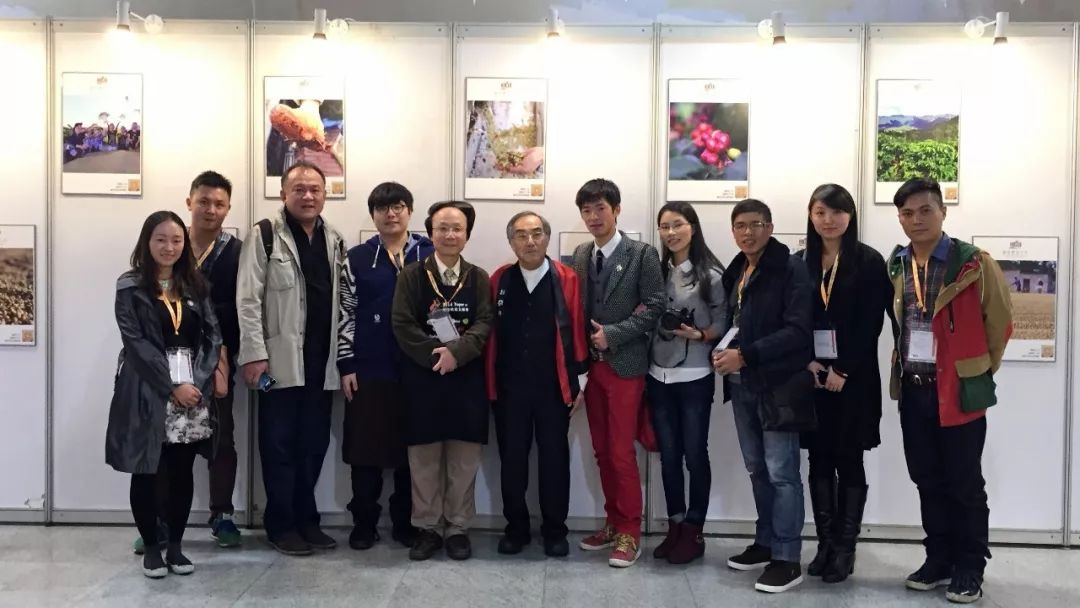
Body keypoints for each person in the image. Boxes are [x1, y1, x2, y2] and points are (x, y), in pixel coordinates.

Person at [887, 178, 1012, 604]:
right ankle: (938, 559)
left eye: (926, 210)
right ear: (900, 218)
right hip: (914, 389)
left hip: (958, 391)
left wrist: (976, 371)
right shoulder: (897, 264)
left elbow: (1000, 323)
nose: (917, 220)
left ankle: (970, 566)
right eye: (907, 213)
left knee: (964, 482)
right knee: (927, 479)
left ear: (943, 211)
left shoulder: (973, 263)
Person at [130, 171, 244, 556]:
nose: (211, 209)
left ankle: (222, 514)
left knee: (220, 438)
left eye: (219, 204)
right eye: (204, 201)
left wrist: (215, 361)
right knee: (164, 441)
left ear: (228, 208)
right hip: (164, 364)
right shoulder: (170, 246)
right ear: (189, 202)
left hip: (216, 357)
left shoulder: (237, 251)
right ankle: (158, 522)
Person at [236, 161, 346, 556]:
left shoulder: (334, 239)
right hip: (277, 362)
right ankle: (280, 525)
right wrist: (254, 355)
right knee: (279, 443)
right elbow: (248, 299)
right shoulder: (265, 235)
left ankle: (306, 520)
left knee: (313, 443)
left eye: (315, 189)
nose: (307, 196)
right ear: (284, 194)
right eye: (299, 189)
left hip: (321, 363)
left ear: (325, 195)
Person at [106, 211, 224, 578]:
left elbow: (213, 336)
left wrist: (197, 382)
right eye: (161, 239)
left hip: (191, 392)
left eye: (176, 240)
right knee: (146, 470)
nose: (169, 247)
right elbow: (136, 343)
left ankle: (175, 546)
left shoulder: (195, 285)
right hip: (148, 389)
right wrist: (172, 386)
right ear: (147, 242)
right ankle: (152, 548)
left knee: (181, 472)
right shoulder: (129, 286)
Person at [712, 198, 814, 594]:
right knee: (757, 468)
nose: (748, 232)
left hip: (777, 385)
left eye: (756, 224)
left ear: (770, 228)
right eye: (740, 226)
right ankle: (766, 542)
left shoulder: (791, 268)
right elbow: (736, 323)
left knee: (782, 473)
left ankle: (787, 559)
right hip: (741, 385)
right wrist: (722, 350)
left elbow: (798, 331)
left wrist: (745, 355)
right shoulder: (738, 268)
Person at [569, 178, 665, 568]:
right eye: (587, 210)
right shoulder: (580, 254)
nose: (594, 217)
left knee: (622, 452)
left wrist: (615, 334)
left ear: (617, 210)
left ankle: (630, 531)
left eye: (601, 209)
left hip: (625, 366)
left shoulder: (642, 254)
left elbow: (656, 305)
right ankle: (612, 522)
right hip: (590, 369)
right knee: (601, 450)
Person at [799, 184, 891, 584]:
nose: (828, 220)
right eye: (820, 212)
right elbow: (793, 317)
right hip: (812, 375)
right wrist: (809, 362)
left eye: (836, 212)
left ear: (850, 216)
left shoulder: (868, 261)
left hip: (854, 379)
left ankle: (845, 548)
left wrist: (843, 370)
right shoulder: (800, 262)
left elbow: (871, 323)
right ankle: (824, 544)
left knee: (849, 459)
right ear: (811, 215)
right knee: (817, 459)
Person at [391, 201, 493, 561]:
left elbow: (485, 323)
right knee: (424, 459)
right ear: (430, 233)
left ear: (467, 234)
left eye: (457, 228)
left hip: (467, 379)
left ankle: (458, 528)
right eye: (442, 228)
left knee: (464, 459)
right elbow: (402, 324)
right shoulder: (411, 276)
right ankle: (428, 528)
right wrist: (437, 355)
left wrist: (457, 354)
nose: (450, 235)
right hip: (423, 379)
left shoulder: (479, 277)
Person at [485, 211, 588, 558]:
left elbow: (577, 331)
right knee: (512, 460)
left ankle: (555, 530)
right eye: (521, 235)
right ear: (511, 241)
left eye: (536, 234)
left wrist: (579, 383)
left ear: (546, 237)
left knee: (554, 460)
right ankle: (515, 529)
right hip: (509, 387)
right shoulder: (499, 279)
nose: (529, 241)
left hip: (553, 387)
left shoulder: (567, 278)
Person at [337, 182, 433, 550]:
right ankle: (364, 522)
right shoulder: (358, 257)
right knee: (365, 452)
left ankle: (406, 522)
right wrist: (347, 364)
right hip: (368, 368)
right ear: (373, 214)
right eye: (382, 208)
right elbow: (345, 313)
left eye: (398, 206)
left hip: (418, 369)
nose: (391, 214)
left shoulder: (429, 253)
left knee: (413, 452)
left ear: (410, 211)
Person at [648, 201, 727, 565]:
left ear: (692, 227)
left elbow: (725, 322)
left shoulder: (710, 274)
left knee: (694, 454)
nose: (671, 232)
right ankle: (675, 525)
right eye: (664, 226)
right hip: (657, 374)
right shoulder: (656, 272)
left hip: (694, 375)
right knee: (668, 457)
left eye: (677, 224)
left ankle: (695, 528)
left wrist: (700, 334)